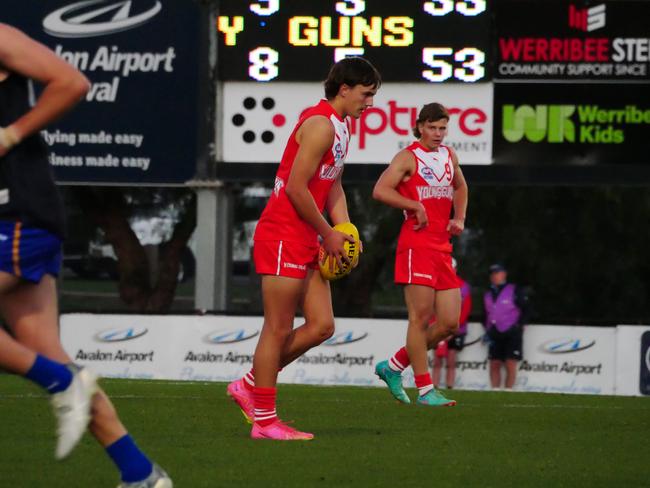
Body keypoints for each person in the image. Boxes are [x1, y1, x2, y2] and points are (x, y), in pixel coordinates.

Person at [0, 24, 171, 487]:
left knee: (58, 372)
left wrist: (10, 135)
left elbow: (72, 82)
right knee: (48, 352)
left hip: (16, 209)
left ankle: (63, 384)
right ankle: (140, 474)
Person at [226, 57, 381, 440]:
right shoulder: (320, 126)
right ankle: (264, 422)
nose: (370, 103)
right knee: (277, 328)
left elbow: (334, 184)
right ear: (344, 89)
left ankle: (249, 384)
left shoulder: (342, 126)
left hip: (307, 235)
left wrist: (344, 229)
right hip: (282, 233)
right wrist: (329, 233)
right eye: (366, 94)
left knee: (322, 325)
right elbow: (296, 188)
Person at [372, 103, 468, 406]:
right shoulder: (407, 157)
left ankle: (394, 366)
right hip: (416, 244)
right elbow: (380, 190)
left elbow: (461, 186)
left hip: (442, 246)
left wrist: (460, 217)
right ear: (420, 127)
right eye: (432, 128)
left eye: (443, 128)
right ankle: (426, 390)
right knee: (420, 318)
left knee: (450, 323)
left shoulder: (449, 156)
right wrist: (414, 206)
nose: (438, 134)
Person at [483, 263, 530, 390]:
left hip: (511, 331)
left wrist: (520, 325)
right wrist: (487, 329)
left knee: (510, 362)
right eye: (492, 274)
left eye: (497, 273)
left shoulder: (515, 290)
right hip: (494, 331)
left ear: (504, 274)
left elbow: (525, 308)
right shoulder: (488, 293)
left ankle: (508, 391)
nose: (494, 276)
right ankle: (495, 391)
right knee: (495, 363)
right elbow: (485, 314)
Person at [432, 259, 472, 389]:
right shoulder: (436, 284)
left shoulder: (463, 286)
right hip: (438, 328)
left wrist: (452, 329)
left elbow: (465, 309)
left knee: (451, 360)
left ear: (455, 269)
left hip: (456, 329)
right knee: (437, 360)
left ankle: (450, 387)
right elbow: (432, 308)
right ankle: (434, 386)